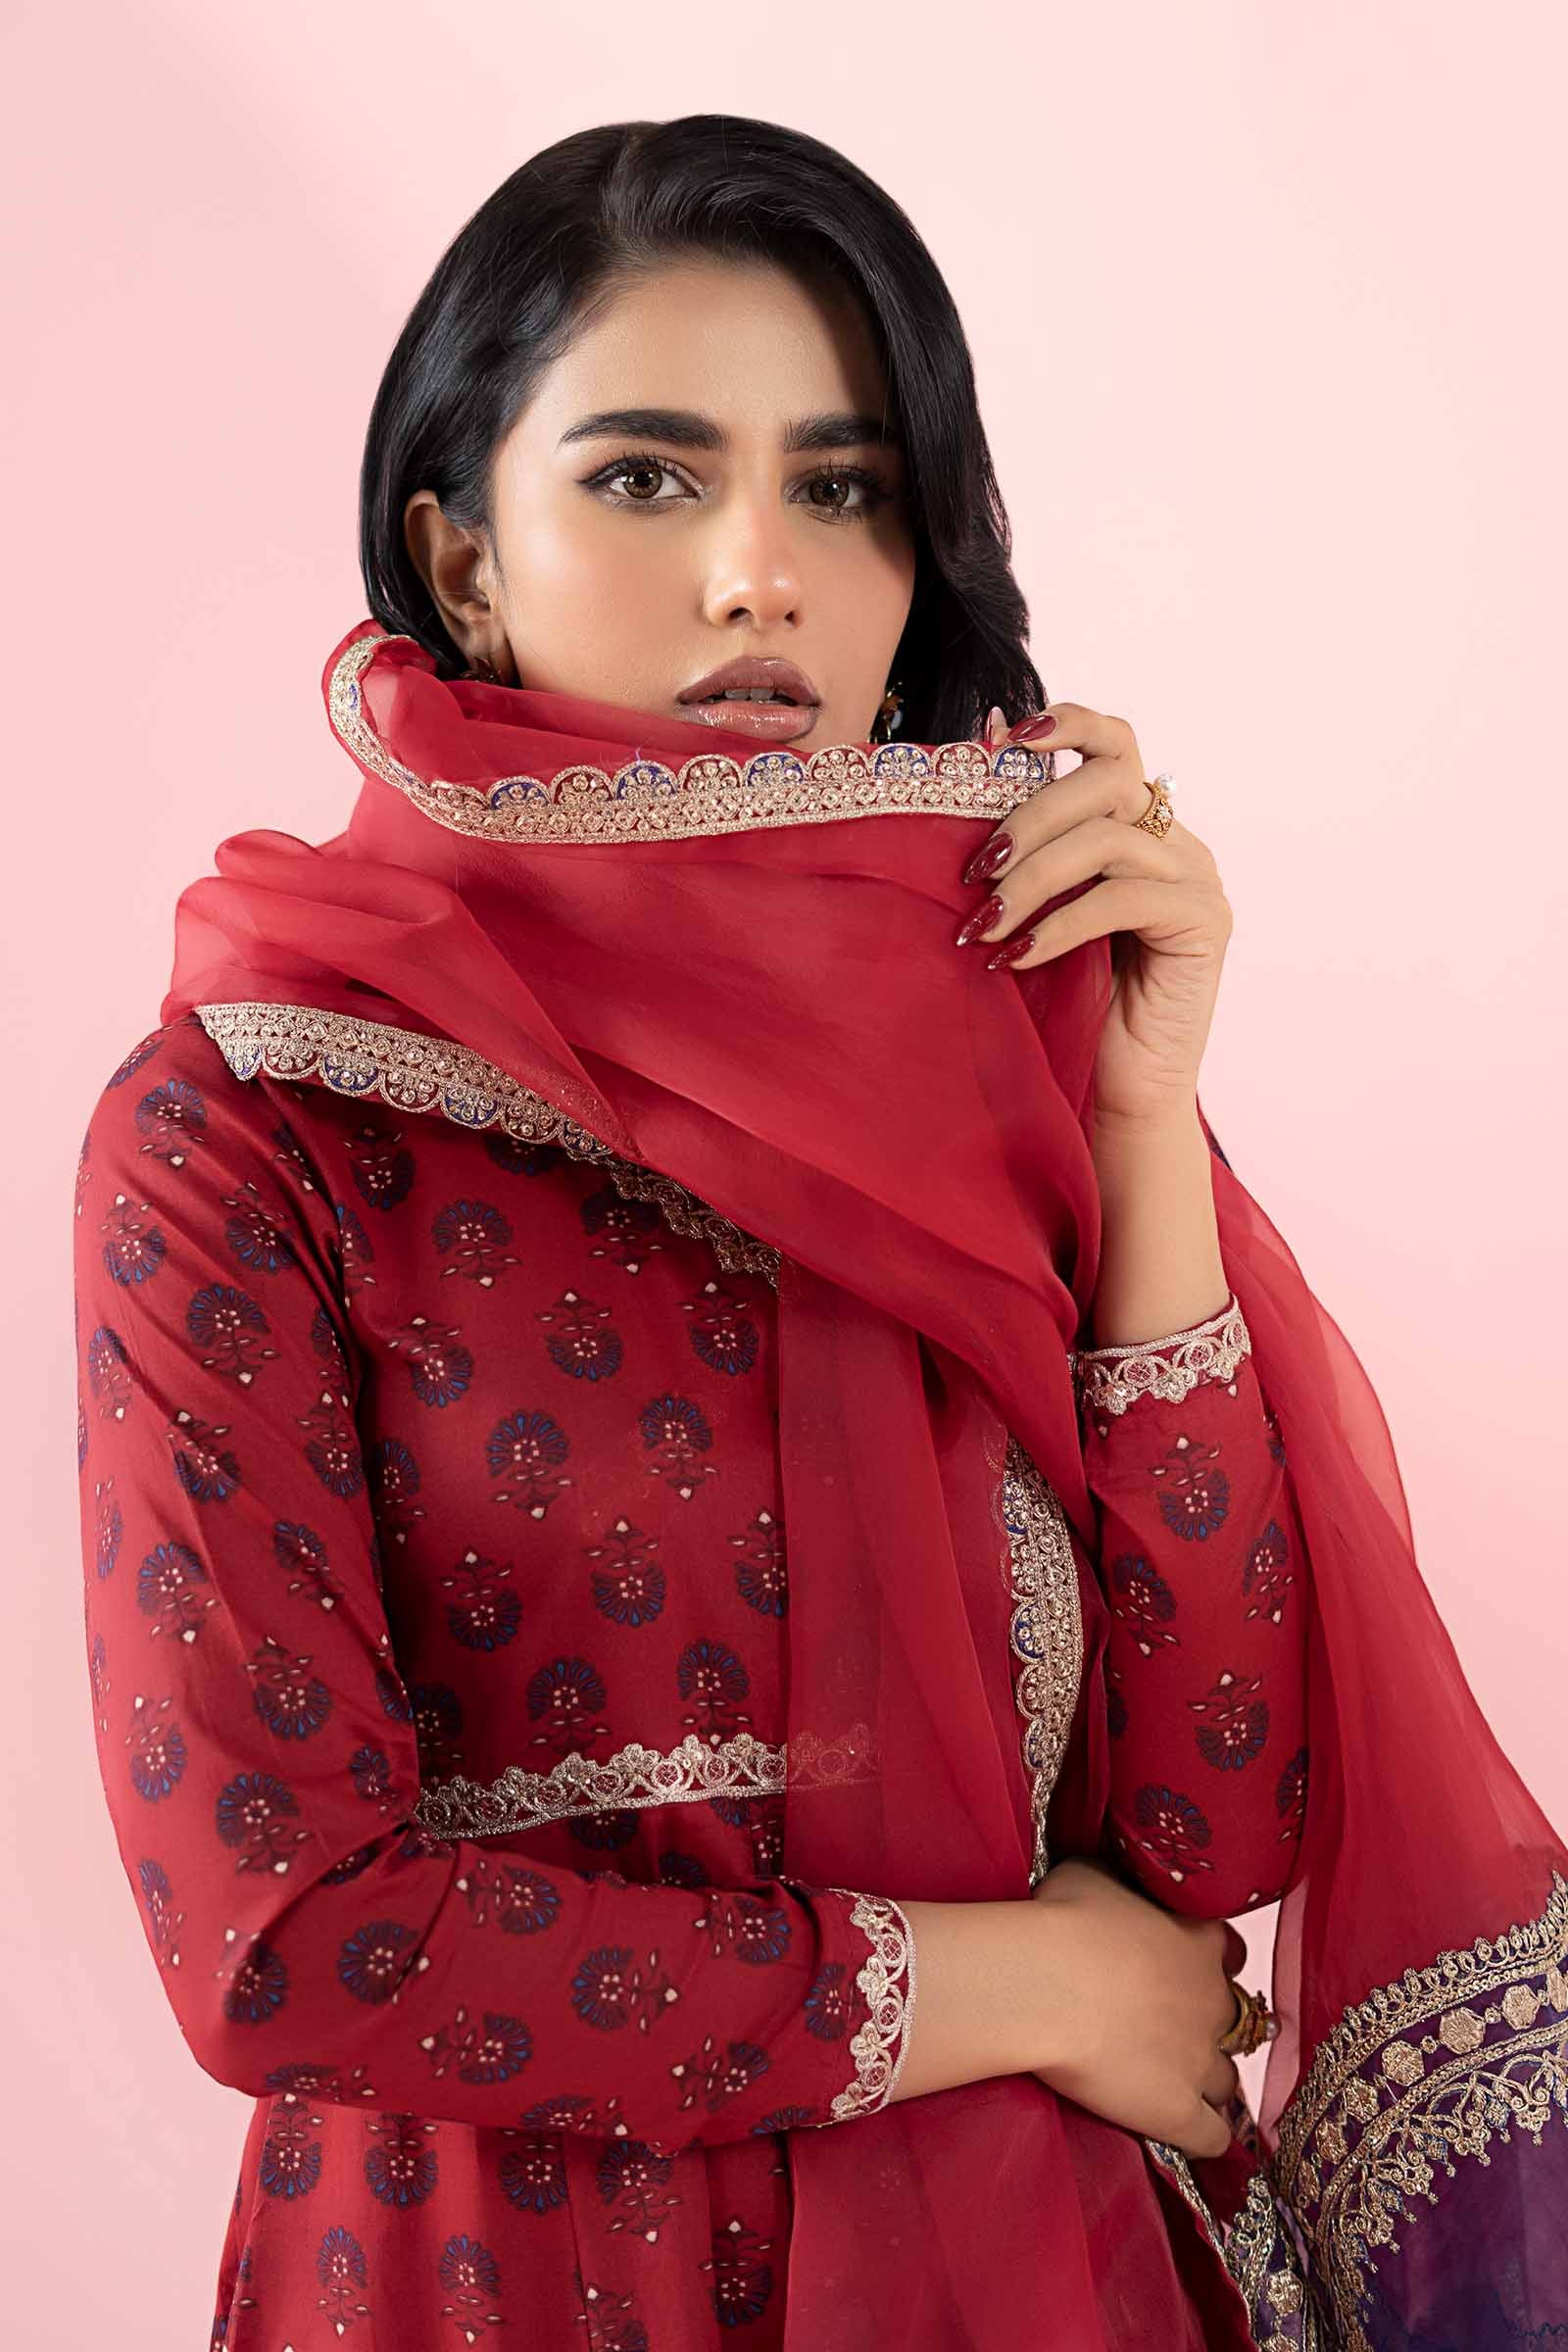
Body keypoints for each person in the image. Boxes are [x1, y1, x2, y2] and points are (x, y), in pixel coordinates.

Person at [74, 116, 1567, 2351]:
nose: (759, 574)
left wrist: (1136, 1118)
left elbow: (1213, 1820)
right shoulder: (258, 1126)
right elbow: (284, 1939)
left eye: (845, 488)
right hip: (496, 2286)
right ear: (459, 559)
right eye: (646, 478)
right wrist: (1027, 1985)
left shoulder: (997, 1075)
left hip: (1041, 2274)